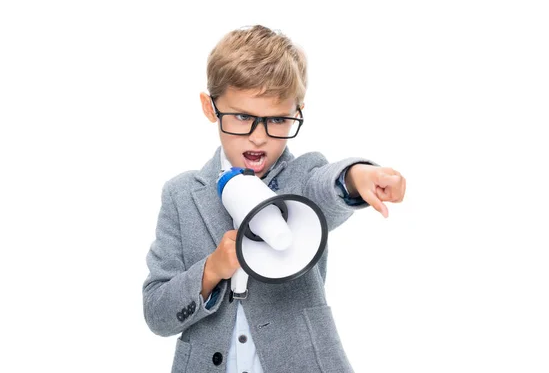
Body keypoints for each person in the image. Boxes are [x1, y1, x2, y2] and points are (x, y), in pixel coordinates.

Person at [143, 25, 406, 373]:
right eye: (242, 117)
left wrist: (357, 177)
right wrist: (212, 270)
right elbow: (158, 315)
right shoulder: (180, 195)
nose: (258, 138)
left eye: (278, 120)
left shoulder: (303, 176)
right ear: (210, 107)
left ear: (298, 111)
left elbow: (326, 188)